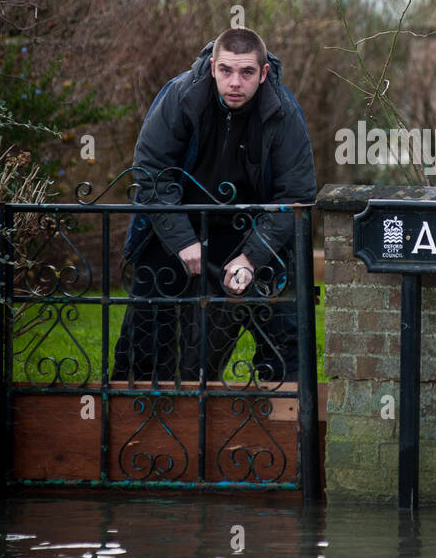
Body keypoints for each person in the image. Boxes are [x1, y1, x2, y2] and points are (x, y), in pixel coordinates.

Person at [112, 27, 316, 385]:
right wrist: (181, 240)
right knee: (145, 329)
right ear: (212, 67)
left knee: (286, 333)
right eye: (226, 71)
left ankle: (285, 419)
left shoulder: (283, 112)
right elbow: (151, 173)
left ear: (263, 73)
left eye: (246, 72)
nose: (235, 82)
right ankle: (140, 409)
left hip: (250, 231)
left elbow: (295, 196)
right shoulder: (181, 96)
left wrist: (253, 256)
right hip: (175, 226)